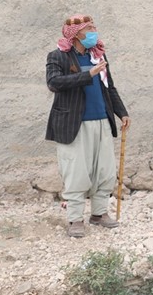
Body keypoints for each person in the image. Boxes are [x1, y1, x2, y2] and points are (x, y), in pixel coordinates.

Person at [46, 14, 131, 237]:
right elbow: (54, 82)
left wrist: (121, 112)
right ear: (76, 34)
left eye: (94, 27)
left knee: (104, 170)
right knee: (76, 172)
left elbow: (109, 87)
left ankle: (99, 213)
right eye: (90, 28)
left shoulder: (98, 56)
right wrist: (88, 75)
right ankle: (75, 219)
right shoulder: (58, 56)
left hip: (101, 120)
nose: (94, 31)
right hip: (74, 124)